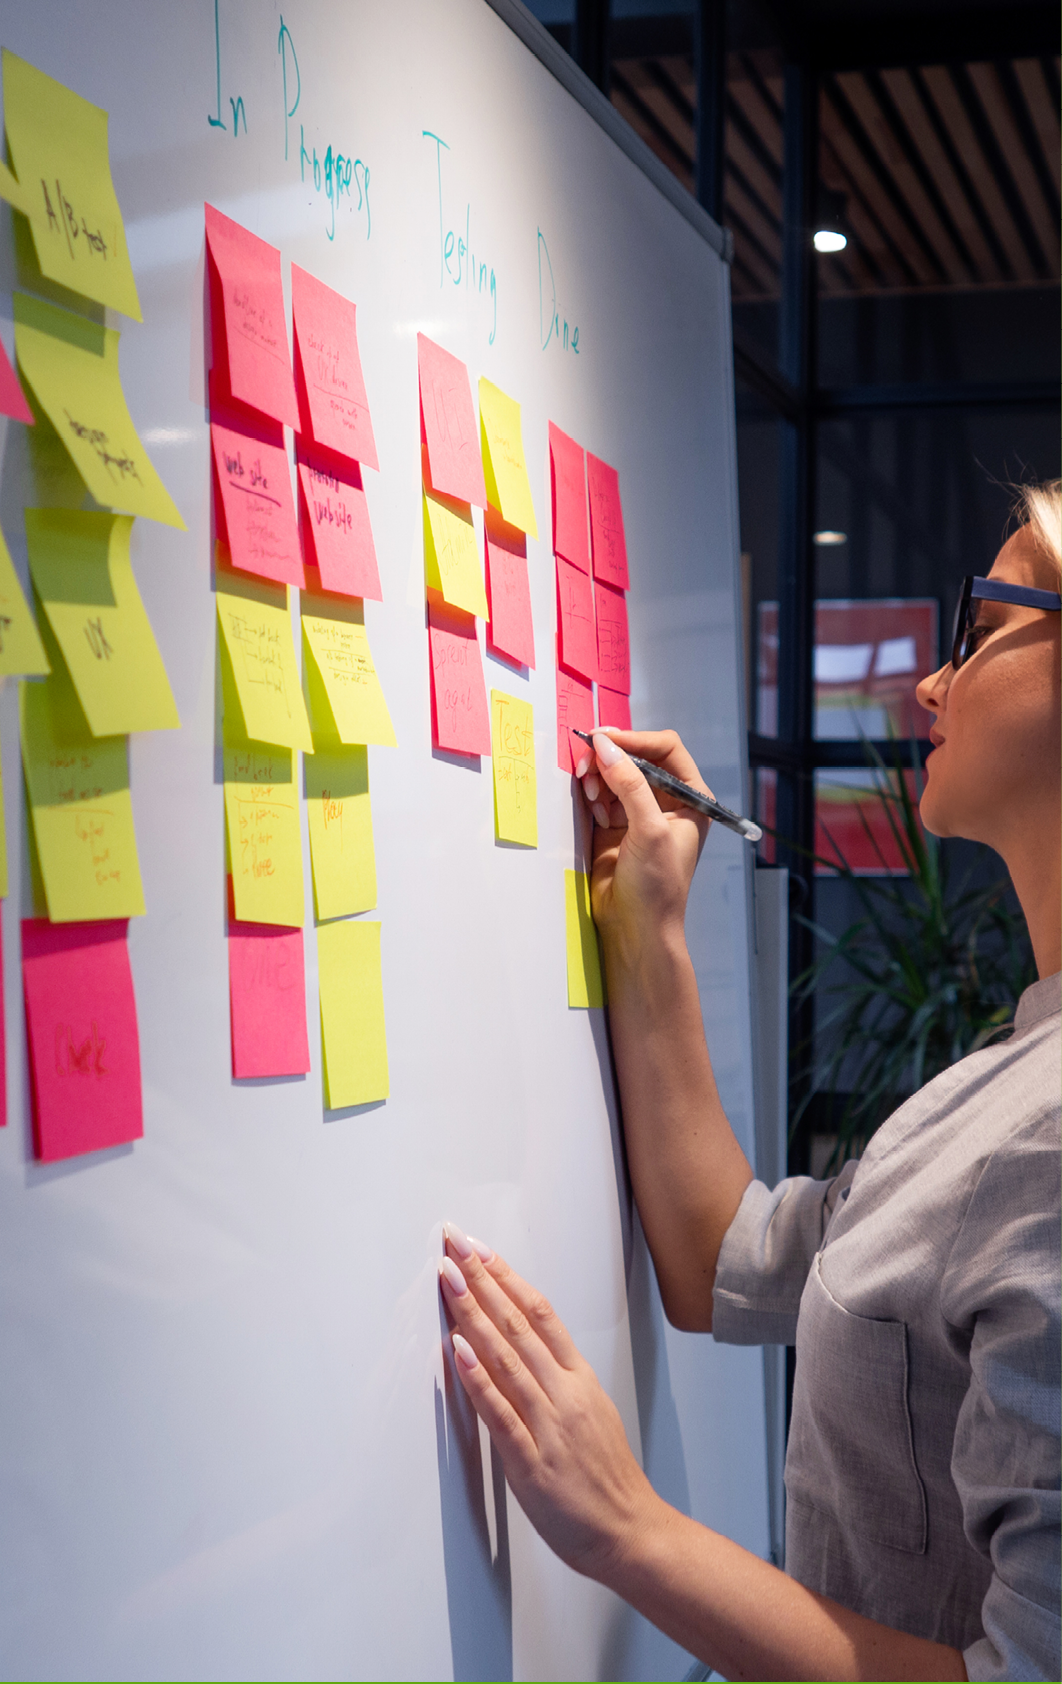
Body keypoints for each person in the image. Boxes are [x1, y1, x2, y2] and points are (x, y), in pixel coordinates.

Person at [439, 482, 1061, 1682]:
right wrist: (650, 930)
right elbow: (724, 1255)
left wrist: (629, 1528)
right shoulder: (1004, 1075)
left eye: (979, 629)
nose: (933, 683)